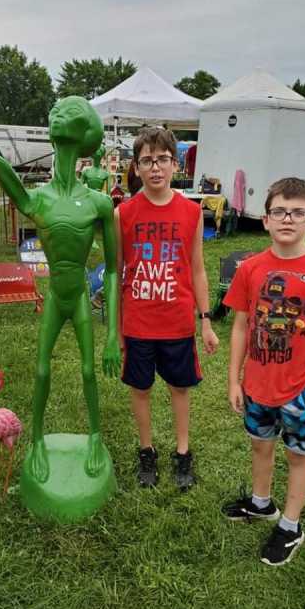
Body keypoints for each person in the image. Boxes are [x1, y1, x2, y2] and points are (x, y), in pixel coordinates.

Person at [0, 4, 120, 485]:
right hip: (56, 297)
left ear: (84, 129)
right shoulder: (36, 199)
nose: (56, 110)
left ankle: (94, 437)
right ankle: (36, 441)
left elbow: (113, 270)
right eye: (55, 108)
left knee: (90, 373)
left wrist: (114, 334)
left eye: (66, 109)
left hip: (82, 304)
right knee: (44, 372)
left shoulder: (100, 203)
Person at [222, 177, 305, 566]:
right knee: (261, 446)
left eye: (297, 212)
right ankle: (262, 504)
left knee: (297, 456)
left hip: (299, 392)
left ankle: (291, 526)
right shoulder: (252, 268)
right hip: (257, 387)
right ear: (265, 219)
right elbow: (241, 326)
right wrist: (234, 379)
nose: (287, 219)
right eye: (279, 211)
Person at [116, 127, 219, 490]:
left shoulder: (192, 212)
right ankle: (147, 451)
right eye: (147, 160)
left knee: (179, 388)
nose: (155, 167)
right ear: (136, 166)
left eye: (162, 159)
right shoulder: (123, 214)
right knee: (140, 389)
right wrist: (116, 331)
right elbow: (118, 273)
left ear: (175, 164)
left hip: (177, 323)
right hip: (138, 323)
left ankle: (182, 452)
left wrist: (206, 321)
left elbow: (198, 269)